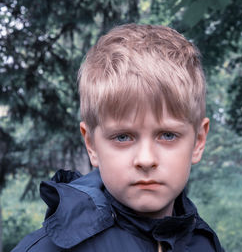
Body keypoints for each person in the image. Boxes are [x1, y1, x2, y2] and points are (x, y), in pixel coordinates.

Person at [12, 24, 224, 252]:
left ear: (198, 141)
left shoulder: (205, 244)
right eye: (123, 137)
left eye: (167, 135)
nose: (145, 159)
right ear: (91, 145)